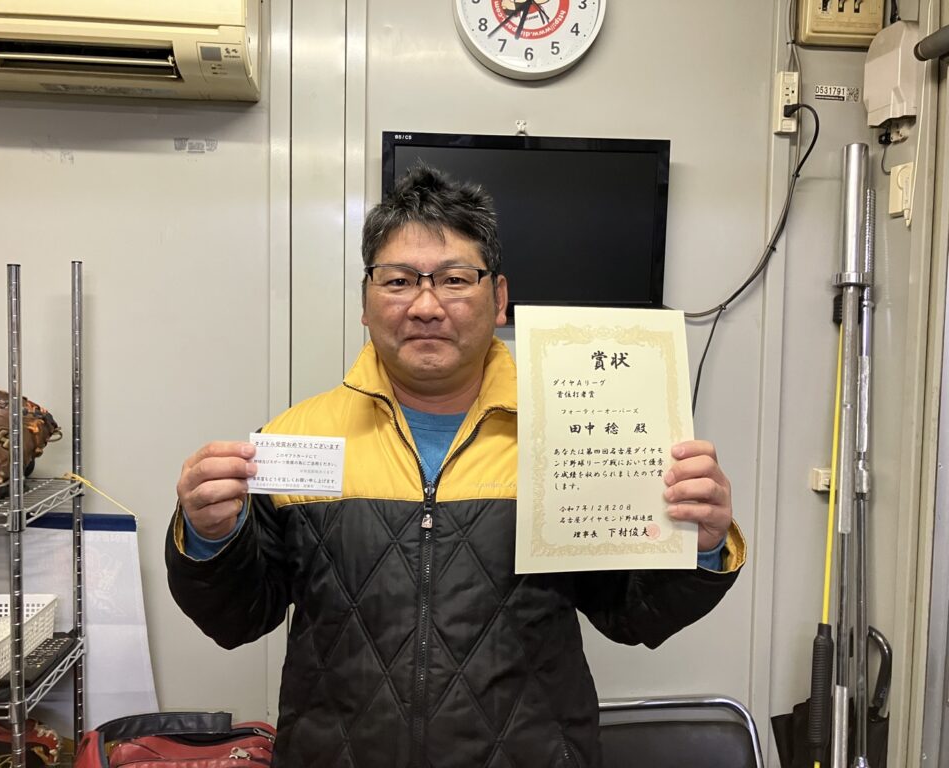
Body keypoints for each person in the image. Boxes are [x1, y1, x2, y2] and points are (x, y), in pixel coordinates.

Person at [165, 165, 745, 768]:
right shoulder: (292, 439)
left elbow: (631, 613)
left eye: (454, 279)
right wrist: (210, 537)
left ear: (499, 298)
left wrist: (700, 544)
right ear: (365, 300)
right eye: (398, 281)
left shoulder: (572, 434)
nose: (425, 306)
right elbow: (236, 617)